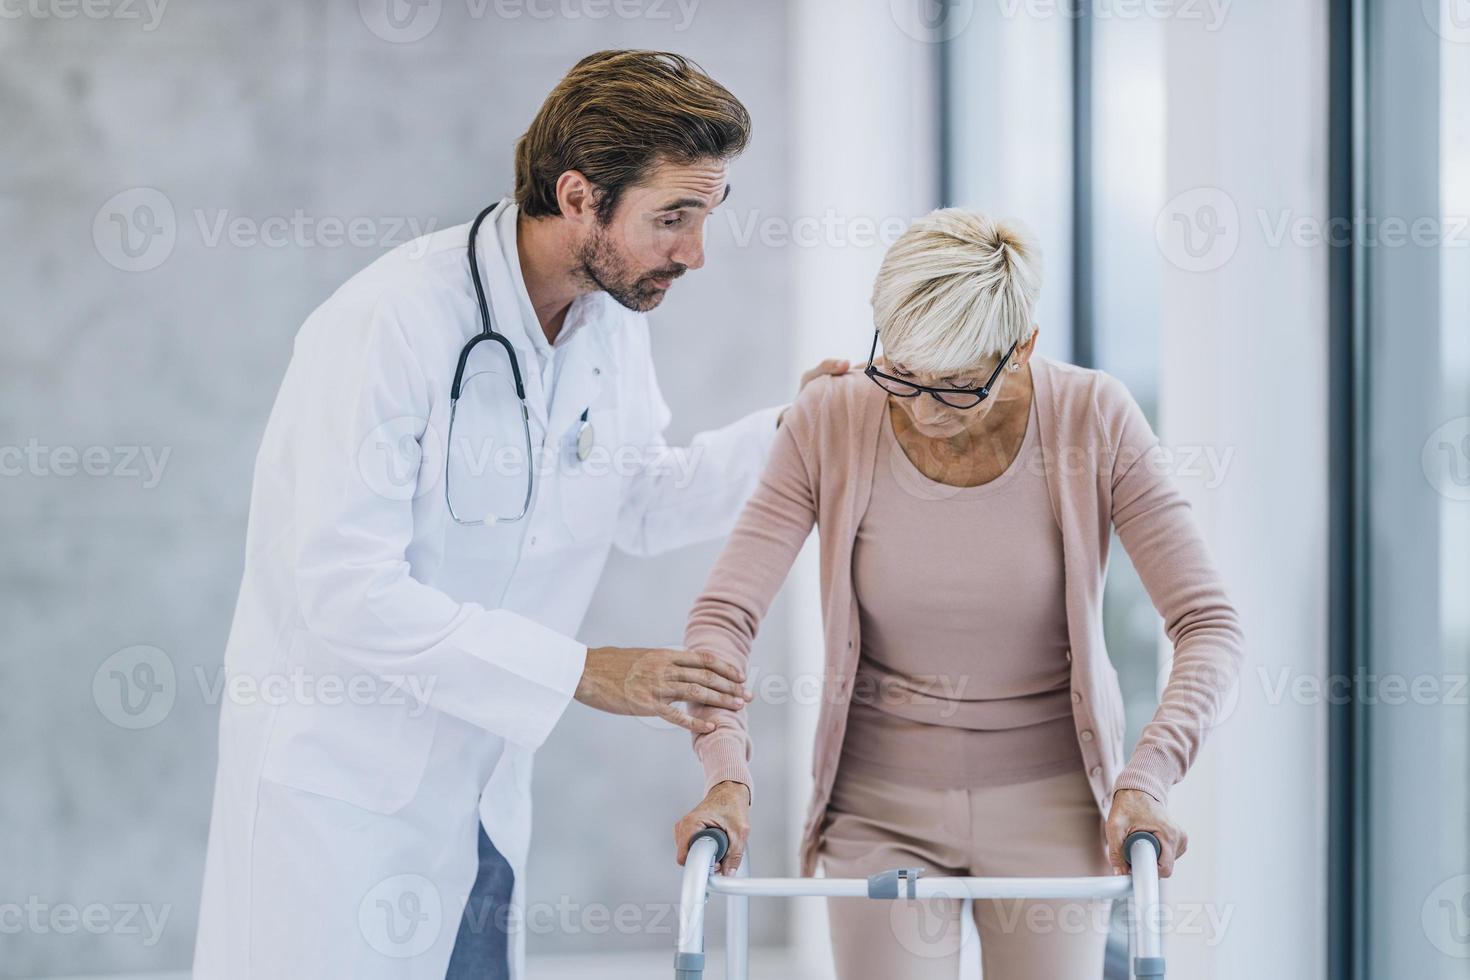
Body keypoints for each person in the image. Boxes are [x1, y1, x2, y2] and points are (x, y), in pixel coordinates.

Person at [192, 50, 849, 980]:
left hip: (486, 798)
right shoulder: (390, 324)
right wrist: (585, 672)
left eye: (706, 217)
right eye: (673, 217)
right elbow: (346, 591)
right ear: (578, 195)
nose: (694, 252)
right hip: (346, 804)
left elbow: (644, 501)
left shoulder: (608, 325)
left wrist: (802, 428)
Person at [672, 209, 1243, 978]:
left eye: (956, 386)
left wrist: (1148, 778)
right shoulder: (834, 417)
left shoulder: (1093, 418)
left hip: (1055, 807)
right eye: (902, 374)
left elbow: (1208, 622)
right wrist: (726, 773)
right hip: (878, 808)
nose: (923, 408)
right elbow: (724, 615)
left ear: (1023, 349)